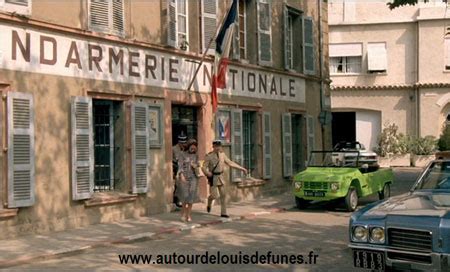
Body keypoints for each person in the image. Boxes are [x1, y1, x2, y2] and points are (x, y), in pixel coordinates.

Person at [202, 139, 247, 218]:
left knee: (223, 195)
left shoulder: (222, 155)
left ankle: (223, 213)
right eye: (216, 146)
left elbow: (230, 163)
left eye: (219, 146)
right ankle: (209, 201)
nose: (217, 148)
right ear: (213, 146)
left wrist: (242, 169)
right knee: (214, 196)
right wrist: (207, 173)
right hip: (213, 178)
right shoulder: (209, 156)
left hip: (221, 177)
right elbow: (204, 167)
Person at [176, 139, 200, 222]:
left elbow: (198, 165)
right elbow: (180, 166)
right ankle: (183, 214)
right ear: (188, 146)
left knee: (191, 197)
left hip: (193, 177)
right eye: (192, 146)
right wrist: (181, 175)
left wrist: (195, 166)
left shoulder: (196, 156)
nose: (193, 148)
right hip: (185, 177)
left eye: (195, 147)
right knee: (185, 197)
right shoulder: (182, 154)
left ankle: (188, 215)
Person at [172, 132, 188, 208]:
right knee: (178, 184)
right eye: (181, 143)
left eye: (184, 143)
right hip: (176, 168)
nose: (183, 144)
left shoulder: (185, 149)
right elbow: (171, 160)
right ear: (178, 142)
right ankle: (177, 200)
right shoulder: (174, 149)